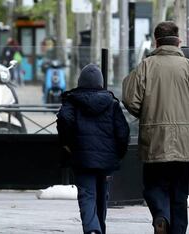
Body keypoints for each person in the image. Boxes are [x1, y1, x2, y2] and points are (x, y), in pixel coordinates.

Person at [122, 21, 189, 234]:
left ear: (156, 42)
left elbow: (130, 99)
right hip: (184, 146)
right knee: (179, 193)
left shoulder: (145, 66)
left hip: (154, 141)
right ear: (179, 42)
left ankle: (160, 215)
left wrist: (144, 111)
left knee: (153, 187)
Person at [56, 64, 130, 234]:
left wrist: (68, 144)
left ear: (80, 82)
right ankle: (99, 228)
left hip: (81, 158)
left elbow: (64, 119)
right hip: (106, 161)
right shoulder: (111, 103)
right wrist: (118, 154)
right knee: (102, 196)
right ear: (101, 83)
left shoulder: (73, 101)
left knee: (87, 195)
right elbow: (123, 131)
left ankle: (92, 229)